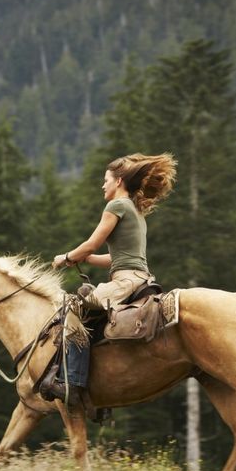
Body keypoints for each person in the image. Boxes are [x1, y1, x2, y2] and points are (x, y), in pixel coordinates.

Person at [40, 152, 177, 407]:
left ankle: (74, 384)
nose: (103, 185)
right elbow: (116, 257)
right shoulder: (136, 211)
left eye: (106, 180)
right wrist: (86, 259)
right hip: (138, 278)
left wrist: (66, 257)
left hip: (125, 283)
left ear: (119, 181)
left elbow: (92, 244)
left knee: (71, 310)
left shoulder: (116, 206)